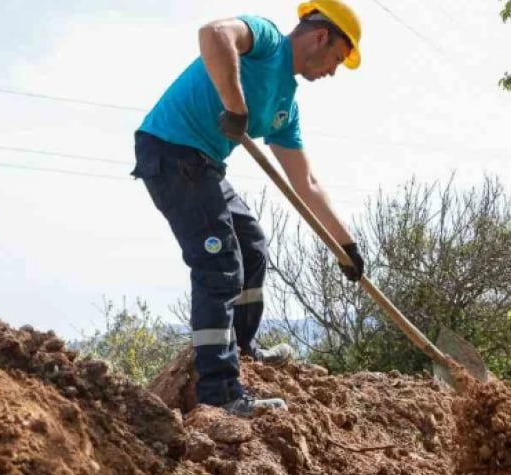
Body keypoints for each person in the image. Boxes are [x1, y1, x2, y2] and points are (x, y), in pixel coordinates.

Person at [131, 2, 366, 417]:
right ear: (321, 37)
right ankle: (219, 394)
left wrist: (345, 246)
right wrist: (235, 106)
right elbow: (213, 34)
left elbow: (306, 183)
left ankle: (241, 348)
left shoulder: (285, 107)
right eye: (338, 58)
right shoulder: (267, 40)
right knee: (219, 264)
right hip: (170, 151)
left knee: (251, 244)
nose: (333, 71)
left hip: (205, 164)